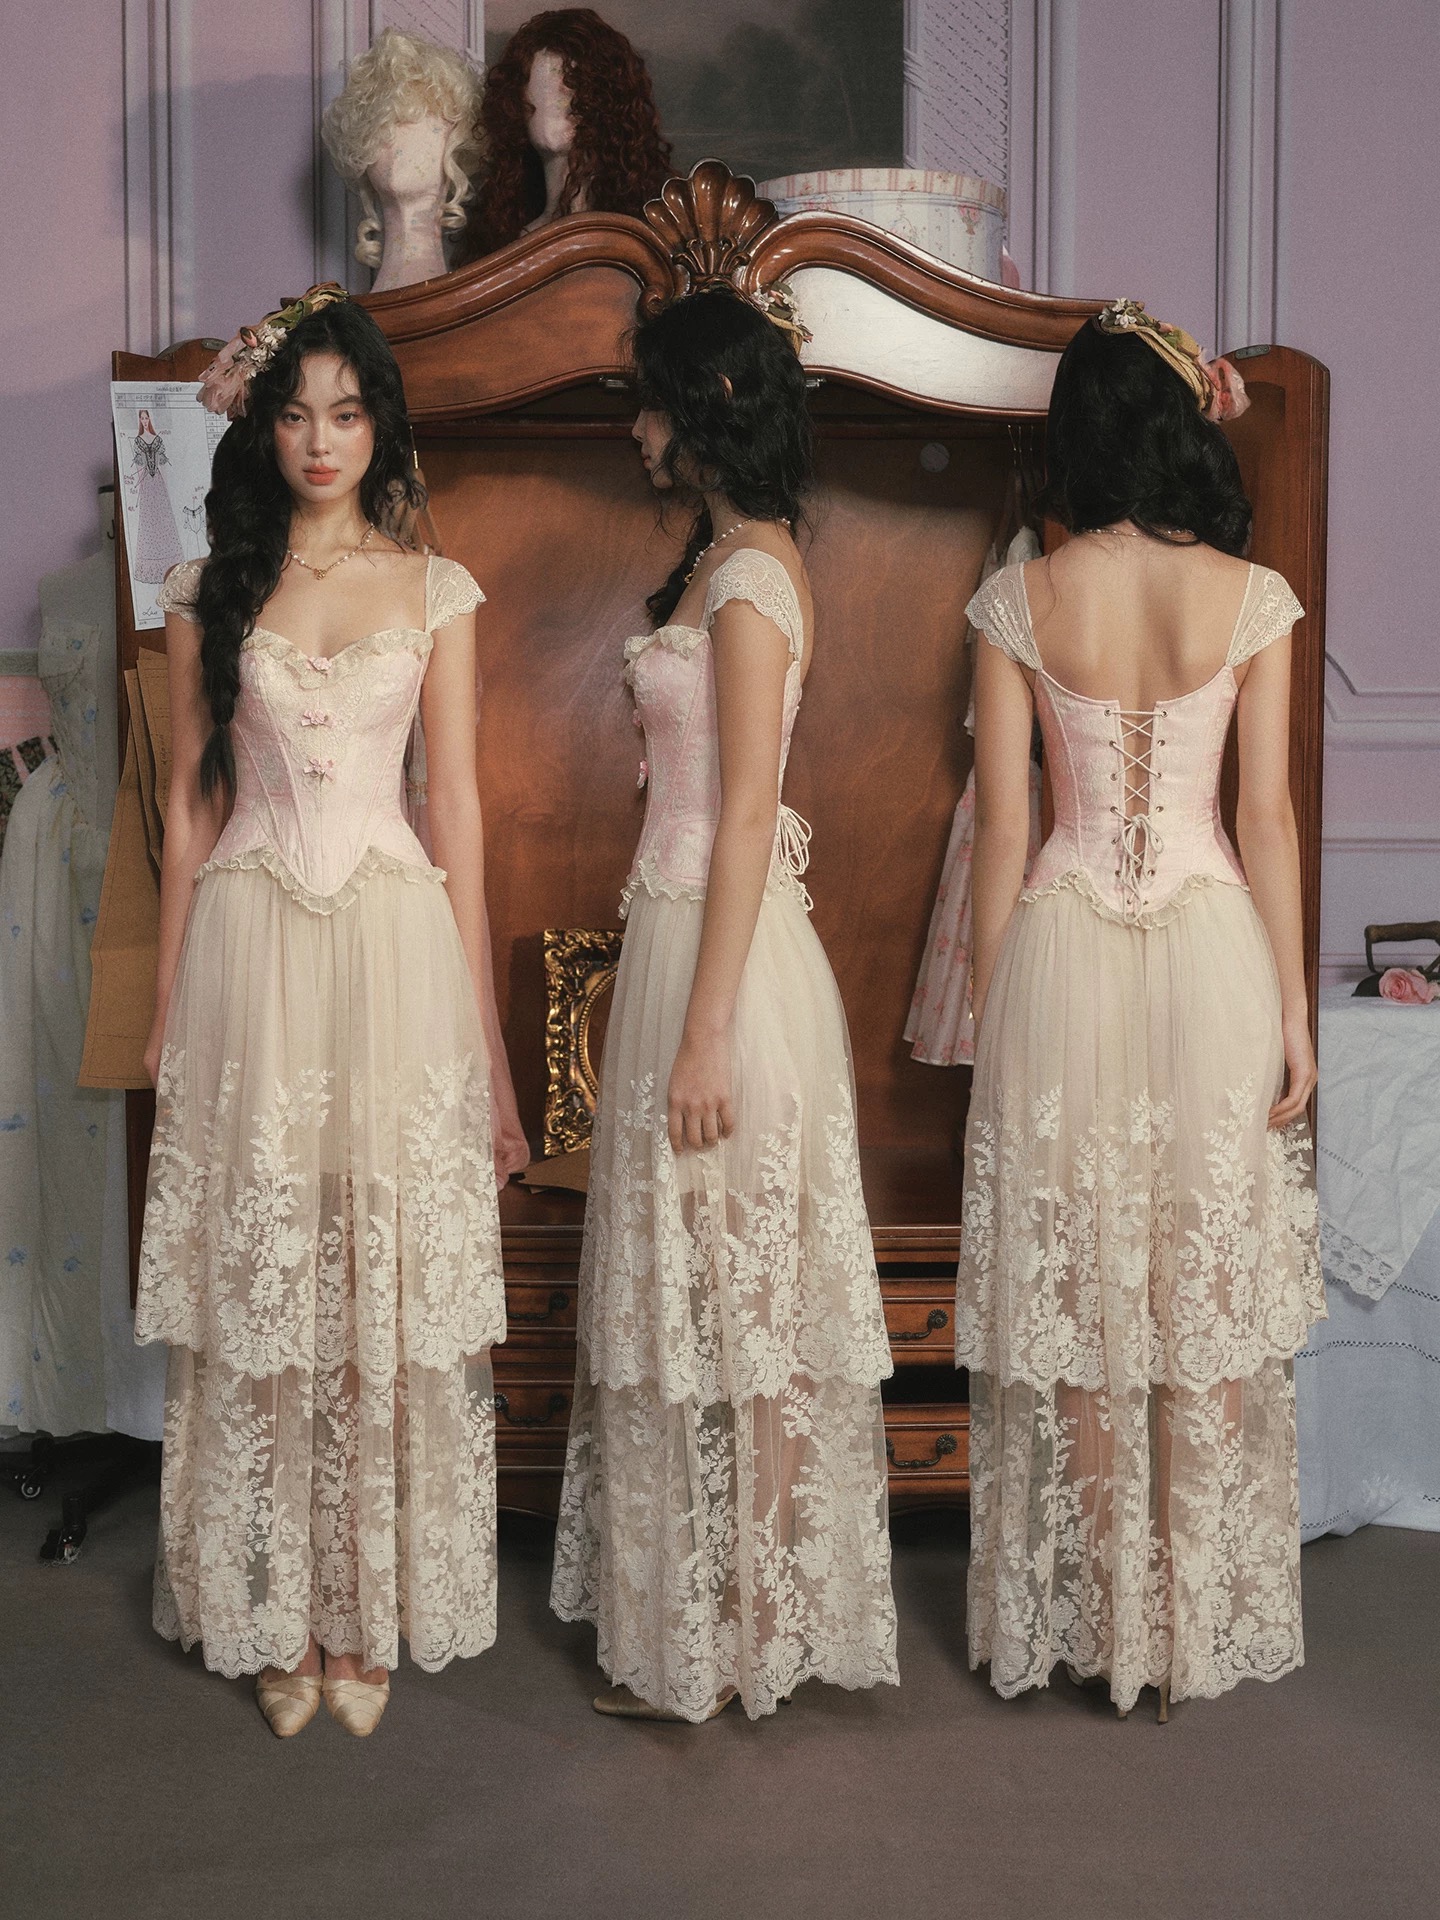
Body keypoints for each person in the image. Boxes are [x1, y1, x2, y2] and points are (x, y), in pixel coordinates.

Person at [135, 288, 507, 1739]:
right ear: (263, 426)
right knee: (266, 1271)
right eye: (294, 413)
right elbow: (187, 811)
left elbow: (456, 811)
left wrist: (483, 1041)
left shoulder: (437, 589)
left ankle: (362, 1617)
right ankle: (274, 1611)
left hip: (395, 952)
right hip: (251, 950)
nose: (319, 440)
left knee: (370, 1272)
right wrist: (166, 1002)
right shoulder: (205, 589)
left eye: (346, 413)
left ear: (379, 427)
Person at [958, 299, 1324, 1720]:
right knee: (1200, 1278)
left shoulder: (1020, 599)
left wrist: (998, 1020)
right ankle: (1182, 1621)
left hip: (1061, 949)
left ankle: (1108, 1617)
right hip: (1214, 944)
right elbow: (1266, 818)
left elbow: (1003, 838)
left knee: (1088, 1284)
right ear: (1181, 423)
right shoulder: (1254, 596)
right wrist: (1294, 1013)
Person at [550, 286, 898, 1722]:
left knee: (744, 1300)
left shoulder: (752, 578)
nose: (636, 430)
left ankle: (750, 1630)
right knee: (693, 1293)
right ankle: (703, 1620)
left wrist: (703, 1031)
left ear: (708, 410)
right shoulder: (719, 561)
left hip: (731, 971)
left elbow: (749, 811)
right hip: (682, 942)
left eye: (651, 403)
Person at [463, 8, 671, 257]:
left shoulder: (649, 234)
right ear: (516, 102)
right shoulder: (503, 239)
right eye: (547, 87)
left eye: (576, 83)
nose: (564, 96)